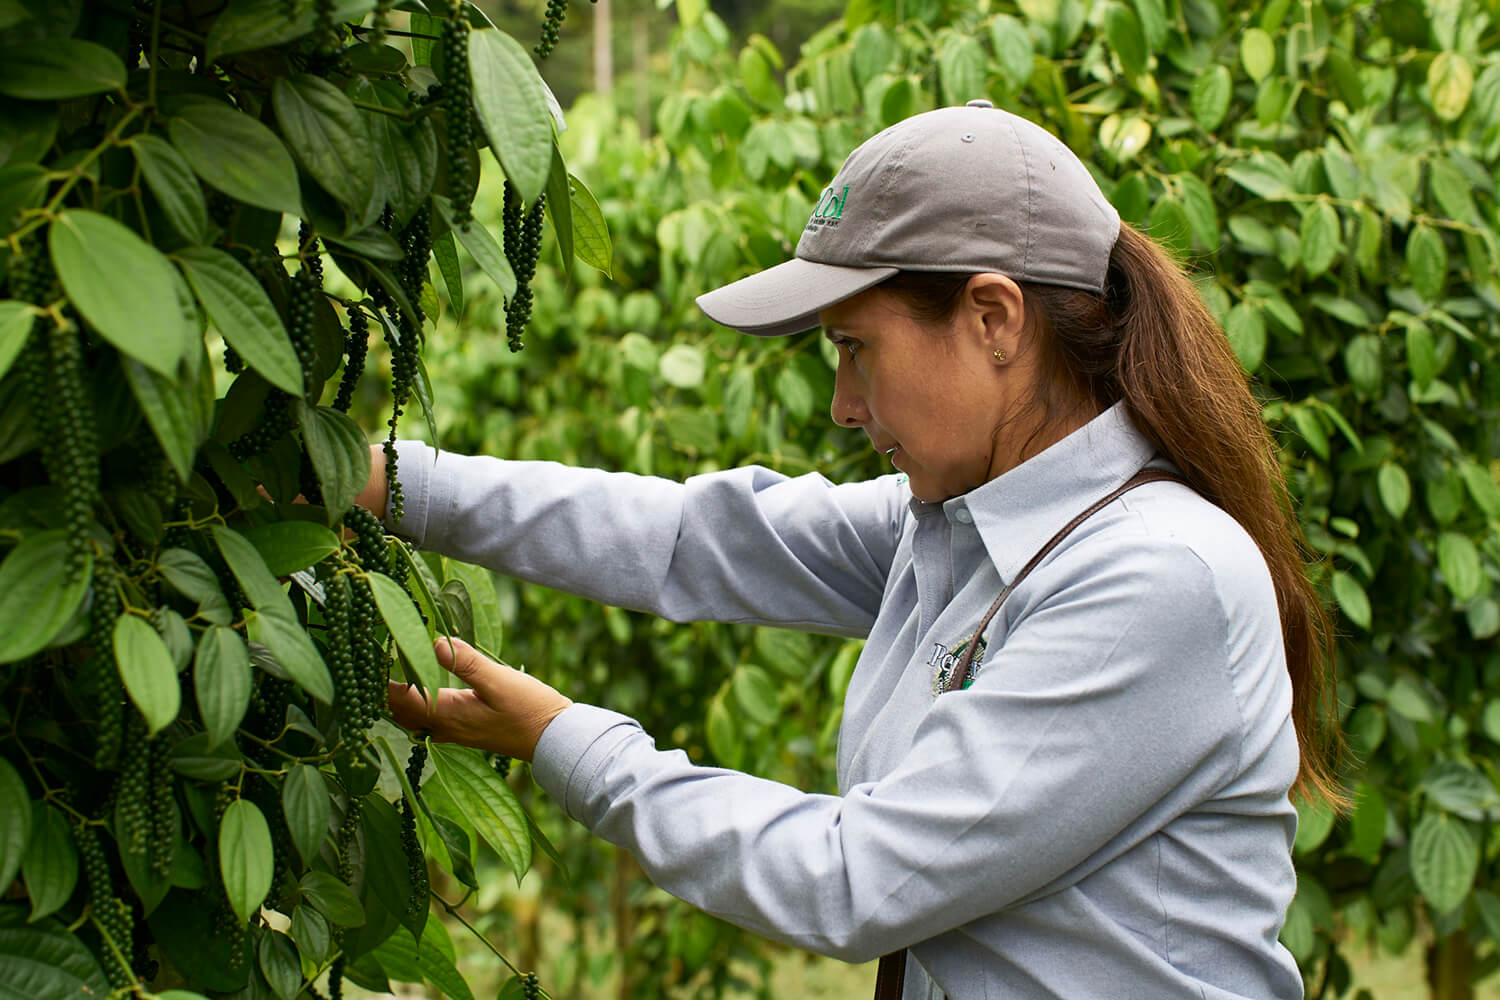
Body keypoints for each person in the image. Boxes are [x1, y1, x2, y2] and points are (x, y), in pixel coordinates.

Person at [367, 102, 1342, 999]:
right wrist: (382, 482)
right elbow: (687, 538)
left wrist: (559, 737)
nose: (842, 406)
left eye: (855, 347)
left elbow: (856, 880)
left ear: (994, 319)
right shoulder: (958, 527)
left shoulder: (1151, 575)